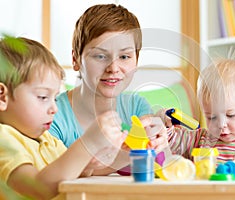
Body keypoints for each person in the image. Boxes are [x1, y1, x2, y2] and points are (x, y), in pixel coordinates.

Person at [0, 37, 126, 199]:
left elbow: (77, 171)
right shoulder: (4, 140)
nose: (54, 108)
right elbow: (39, 188)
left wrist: (126, 155)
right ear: (2, 97)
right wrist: (88, 143)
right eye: (43, 97)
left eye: (55, 97)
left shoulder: (47, 140)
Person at [49, 4, 169, 174]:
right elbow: (52, 176)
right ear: (76, 60)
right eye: (100, 56)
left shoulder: (137, 106)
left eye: (124, 57)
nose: (113, 67)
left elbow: (156, 161)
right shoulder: (52, 115)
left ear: (136, 60)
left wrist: (157, 141)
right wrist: (129, 154)